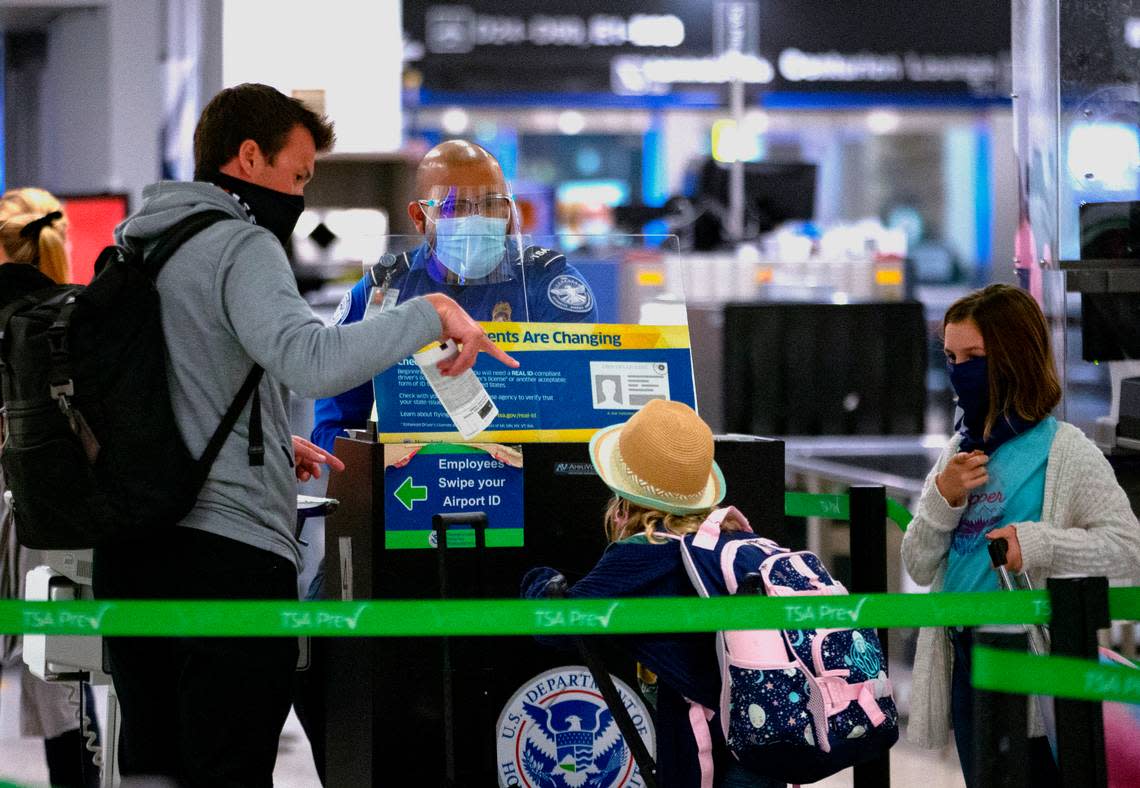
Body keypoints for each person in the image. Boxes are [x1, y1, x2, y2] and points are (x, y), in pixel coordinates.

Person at [89, 83, 517, 787]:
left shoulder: (141, 243)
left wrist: (261, 440)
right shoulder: (239, 242)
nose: (302, 192)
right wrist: (430, 312)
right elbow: (310, 363)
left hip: (133, 553)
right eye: (298, 175)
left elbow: (161, 390)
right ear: (249, 157)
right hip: (224, 560)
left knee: (152, 768)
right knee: (227, 768)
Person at [901, 284, 1140, 787]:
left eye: (974, 357)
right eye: (950, 356)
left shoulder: (1066, 453)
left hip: (1034, 664)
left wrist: (1037, 544)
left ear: (1013, 358)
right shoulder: (957, 453)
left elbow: (1127, 550)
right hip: (965, 657)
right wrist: (942, 499)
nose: (959, 369)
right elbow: (919, 563)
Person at [521, 399, 783, 788]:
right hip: (771, 735)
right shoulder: (733, 534)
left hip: (709, 753)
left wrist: (538, 578)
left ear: (624, 493)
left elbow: (554, 624)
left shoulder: (646, 552)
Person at [310, 139, 597, 453]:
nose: (477, 218)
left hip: (527, 482)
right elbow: (334, 426)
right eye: (454, 206)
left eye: (491, 203)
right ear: (419, 218)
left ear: (509, 212)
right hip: (410, 484)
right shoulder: (384, 290)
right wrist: (379, 464)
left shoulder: (547, 284)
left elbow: (578, 413)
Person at [0, 187, 101, 788]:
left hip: (27, 517)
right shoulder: (80, 322)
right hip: (57, 525)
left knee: (59, 693)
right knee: (61, 687)